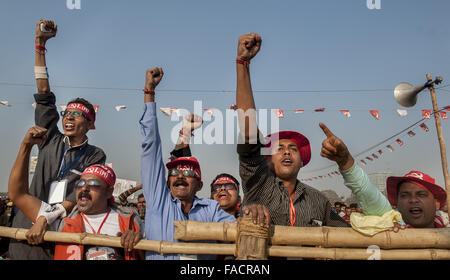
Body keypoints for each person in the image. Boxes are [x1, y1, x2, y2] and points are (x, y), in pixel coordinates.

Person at [140, 67, 270, 260]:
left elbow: (239, 229)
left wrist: (253, 215)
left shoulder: (211, 209)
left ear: (200, 185)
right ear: (167, 181)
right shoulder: (158, 201)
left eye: (189, 173)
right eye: (175, 172)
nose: (181, 176)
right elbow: (150, 146)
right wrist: (149, 92)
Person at [9, 20, 106, 260]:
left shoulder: (96, 155)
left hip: (61, 230)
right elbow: (44, 95)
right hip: (26, 224)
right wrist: (39, 46)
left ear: (91, 124)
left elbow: (78, 196)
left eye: (78, 115)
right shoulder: (50, 138)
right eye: (67, 113)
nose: (70, 118)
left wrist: (46, 217)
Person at [234, 33, 348, 228]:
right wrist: (242, 63)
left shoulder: (318, 200)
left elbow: (346, 235)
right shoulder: (258, 185)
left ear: (302, 161)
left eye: (293, 149)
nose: (287, 151)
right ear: (267, 159)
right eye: (279, 149)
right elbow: (249, 131)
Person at [8, 126, 143, 260]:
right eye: (80, 183)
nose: (84, 189)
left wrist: (138, 243)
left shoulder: (130, 221)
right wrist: (26, 146)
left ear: (109, 192)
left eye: (93, 184)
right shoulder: (61, 219)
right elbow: (18, 194)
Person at [319, 122, 443, 230]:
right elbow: (365, 190)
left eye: (421, 194)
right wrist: (344, 161)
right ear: (397, 204)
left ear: (437, 203)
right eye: (404, 195)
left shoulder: (445, 232)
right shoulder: (389, 222)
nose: (413, 200)